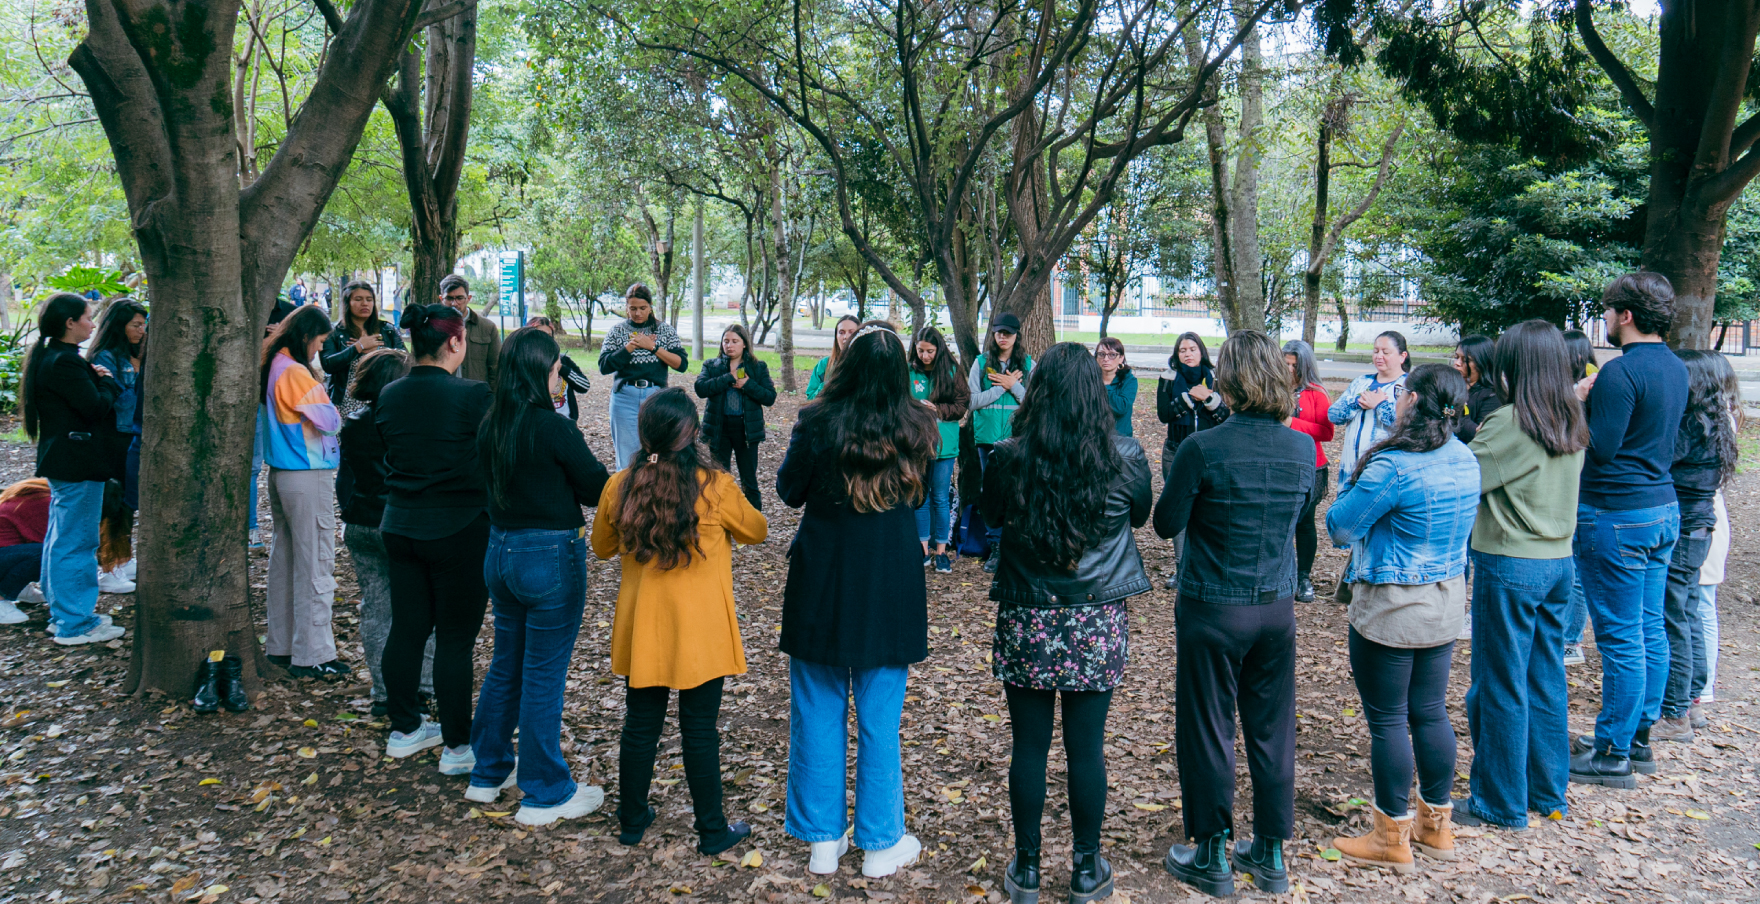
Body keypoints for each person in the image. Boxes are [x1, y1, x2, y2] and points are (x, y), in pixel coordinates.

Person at [979, 342, 1152, 904]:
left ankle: (1027, 867)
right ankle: (1084, 867)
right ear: (1094, 393)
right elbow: (1141, 514)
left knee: (1028, 747)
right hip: (1095, 617)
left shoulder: (1009, 455)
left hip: (1029, 614)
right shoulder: (1124, 456)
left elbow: (991, 515)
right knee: (1087, 749)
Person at [1153, 330, 1312, 898]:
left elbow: (1166, 522)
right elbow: (1301, 521)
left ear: (1229, 380)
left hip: (1213, 605)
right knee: (1272, 729)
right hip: (1274, 606)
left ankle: (1213, 851)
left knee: (1208, 725)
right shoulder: (1298, 449)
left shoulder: (1205, 448)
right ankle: (1269, 854)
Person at [777, 322, 938, 879]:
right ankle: (878, 841)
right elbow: (924, 494)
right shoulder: (918, 424)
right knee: (878, 718)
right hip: (888, 581)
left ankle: (825, 840)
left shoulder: (818, 420)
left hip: (824, 576)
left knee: (818, 710)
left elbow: (788, 489)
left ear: (846, 364)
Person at [594, 388, 766, 852]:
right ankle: (711, 829)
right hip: (700, 631)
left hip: (645, 628)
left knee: (640, 725)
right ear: (692, 433)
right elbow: (756, 530)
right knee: (700, 729)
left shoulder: (621, 484)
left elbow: (603, 547)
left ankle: (631, 820)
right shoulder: (715, 486)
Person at [1323, 364, 1478, 871]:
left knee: (1389, 719)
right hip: (1445, 601)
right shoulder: (1464, 457)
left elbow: (1341, 528)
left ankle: (1391, 835)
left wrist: (1351, 482)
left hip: (1393, 603)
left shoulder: (1394, 466)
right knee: (1431, 711)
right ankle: (1437, 827)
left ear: (1411, 401)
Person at [468, 327, 612, 825]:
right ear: (538, 372)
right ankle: (545, 791)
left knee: (506, 663)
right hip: (548, 555)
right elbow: (595, 490)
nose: (560, 378)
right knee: (542, 672)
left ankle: (487, 772)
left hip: (501, 552)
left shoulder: (491, 424)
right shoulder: (553, 428)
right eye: (556, 370)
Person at [1457, 321, 1587, 828]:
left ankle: (1500, 802)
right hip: (1558, 563)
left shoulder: (1512, 422)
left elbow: (1465, 479)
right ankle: (1548, 792)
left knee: (1500, 682)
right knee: (1546, 678)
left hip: (1511, 563)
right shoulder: (1570, 415)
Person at [1569, 272, 1689, 788]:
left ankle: (1614, 751)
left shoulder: (1620, 374)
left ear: (1627, 316)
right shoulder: (1677, 368)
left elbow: (1601, 446)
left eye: (1609, 310)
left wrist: (1577, 403)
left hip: (1616, 512)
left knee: (1620, 637)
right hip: (1662, 508)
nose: (1606, 319)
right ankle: (1637, 739)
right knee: (1647, 628)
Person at [375, 303, 495, 771]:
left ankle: (405, 727)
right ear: (455, 342)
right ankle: (457, 747)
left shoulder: (390, 394)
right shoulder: (472, 394)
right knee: (454, 640)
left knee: (407, 628)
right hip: (457, 527)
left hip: (401, 524)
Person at [23, 294, 126, 645]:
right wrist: (107, 381)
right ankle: (74, 621)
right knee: (77, 542)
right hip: (78, 461)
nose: (93, 324)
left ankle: (63, 613)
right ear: (69, 323)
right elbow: (95, 407)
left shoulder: (53, 358)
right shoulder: (63, 363)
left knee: (61, 537)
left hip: (67, 461)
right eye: (87, 317)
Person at [336, 348, 434, 717]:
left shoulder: (354, 421)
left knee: (377, 609)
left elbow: (346, 478)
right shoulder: (404, 421)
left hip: (360, 520)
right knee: (419, 608)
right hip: (396, 521)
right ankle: (420, 687)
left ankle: (382, 691)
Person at [1647, 350, 1738, 743]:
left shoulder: (1692, 423)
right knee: (1686, 610)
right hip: (1699, 527)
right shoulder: (1717, 420)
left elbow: (1658, 460)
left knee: (1674, 617)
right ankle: (1693, 701)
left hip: (1686, 528)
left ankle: (1675, 713)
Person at [260, 305, 349, 680]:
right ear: (304, 336)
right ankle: (313, 653)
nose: (319, 349)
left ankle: (281, 644)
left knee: (286, 562)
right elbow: (330, 419)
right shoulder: (295, 372)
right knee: (315, 562)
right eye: (319, 341)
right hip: (306, 473)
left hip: (283, 473)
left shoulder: (274, 364)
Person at [86, 299, 147, 593]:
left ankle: (122, 558)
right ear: (118, 326)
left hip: (137, 437)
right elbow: (120, 401)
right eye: (136, 325)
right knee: (115, 500)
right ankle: (108, 566)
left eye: (143, 324)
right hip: (115, 436)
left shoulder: (141, 354)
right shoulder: (105, 357)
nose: (142, 330)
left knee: (130, 500)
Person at [1690, 353, 1738, 720]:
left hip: (1705, 517)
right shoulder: (1722, 418)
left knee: (1703, 604)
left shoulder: (1712, 422)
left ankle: (1701, 688)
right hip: (1710, 517)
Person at [598, 284, 689, 469]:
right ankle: (627, 495)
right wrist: (629, 348)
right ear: (626, 308)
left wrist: (652, 347)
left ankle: (654, 494)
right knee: (626, 457)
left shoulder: (665, 330)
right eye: (633, 308)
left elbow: (682, 364)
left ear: (650, 306)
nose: (637, 313)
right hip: (624, 398)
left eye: (642, 308)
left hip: (656, 398)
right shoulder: (617, 331)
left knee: (656, 453)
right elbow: (604, 366)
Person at [970, 313, 1034, 573]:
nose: (1003, 337)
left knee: (1019, 492)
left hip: (1019, 438)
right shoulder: (981, 363)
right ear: (993, 334)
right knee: (992, 494)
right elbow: (971, 401)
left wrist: (1014, 385)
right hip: (987, 439)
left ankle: (1016, 544)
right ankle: (995, 545)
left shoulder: (1029, 364)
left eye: (1008, 332)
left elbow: (1035, 402)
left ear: (1017, 335)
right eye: (999, 332)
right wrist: (1001, 387)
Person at [695, 323, 777, 510]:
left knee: (749, 479)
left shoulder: (757, 367)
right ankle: (720, 518)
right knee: (719, 478)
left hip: (746, 431)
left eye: (734, 341)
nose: (729, 345)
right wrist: (729, 378)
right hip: (719, 429)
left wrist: (747, 384)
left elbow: (770, 397)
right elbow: (701, 389)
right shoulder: (712, 365)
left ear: (744, 344)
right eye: (726, 341)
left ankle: (753, 523)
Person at [910, 327, 969, 573]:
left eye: (930, 351)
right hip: (917, 446)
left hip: (945, 446)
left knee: (940, 498)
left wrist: (937, 409)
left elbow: (962, 404)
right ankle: (922, 549)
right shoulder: (909, 371)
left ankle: (941, 552)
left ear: (939, 350)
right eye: (920, 350)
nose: (924, 356)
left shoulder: (952, 370)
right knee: (920, 498)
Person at [1283, 340, 1333, 602]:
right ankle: (1282, 575)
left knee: (1304, 522)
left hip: (1310, 467)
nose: (1290, 370)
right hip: (1279, 464)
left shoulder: (1317, 393)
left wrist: (1293, 423)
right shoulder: (1272, 389)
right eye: (1286, 364)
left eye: (1295, 365)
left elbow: (1327, 432)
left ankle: (1303, 577)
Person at [1560, 328, 1598, 667]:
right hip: (1567, 485)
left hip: (1584, 485)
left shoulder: (1590, 384)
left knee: (1576, 569)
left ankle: (1570, 639)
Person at [321, 281, 404, 417]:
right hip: (345, 402)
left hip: (383, 399)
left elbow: (404, 361)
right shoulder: (335, 333)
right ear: (347, 303)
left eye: (369, 299)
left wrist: (377, 352)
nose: (365, 304)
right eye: (358, 299)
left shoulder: (387, 330)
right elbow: (328, 364)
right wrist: (358, 347)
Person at [1156, 333, 1227, 484]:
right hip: (1176, 449)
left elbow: (1226, 416)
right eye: (1183, 350)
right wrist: (1188, 398)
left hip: (1210, 449)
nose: (1188, 354)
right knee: (1177, 500)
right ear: (1177, 354)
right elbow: (1163, 414)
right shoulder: (1168, 379)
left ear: (1201, 352)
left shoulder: (1216, 378)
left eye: (1193, 349)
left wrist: (1208, 399)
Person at [0, 480, 50, 625]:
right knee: (45, 554)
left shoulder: (41, 494)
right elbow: (50, 545)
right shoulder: (45, 501)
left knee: (41, 552)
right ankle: (3, 594)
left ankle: (19, 588)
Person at [524, 316, 592, 421]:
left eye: (549, 336)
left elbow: (584, 386)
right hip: (536, 423)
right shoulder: (523, 363)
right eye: (540, 335)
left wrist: (561, 368)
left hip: (566, 421)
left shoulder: (563, 360)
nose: (545, 340)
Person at [440, 275, 502, 388]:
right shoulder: (434, 327)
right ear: (441, 299)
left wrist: (492, 400)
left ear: (468, 298)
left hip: (476, 398)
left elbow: (496, 368)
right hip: (444, 395)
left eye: (459, 298)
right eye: (449, 298)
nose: (454, 303)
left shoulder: (487, 328)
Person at [1450, 335, 1500, 443]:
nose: (1457, 363)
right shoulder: (1452, 386)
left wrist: (1458, 412)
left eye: (1465, 360)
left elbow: (1480, 437)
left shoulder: (1493, 396)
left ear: (1483, 363)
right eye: (1456, 357)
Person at [805, 315, 860, 400]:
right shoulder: (824, 364)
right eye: (841, 332)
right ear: (836, 336)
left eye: (851, 332)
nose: (845, 337)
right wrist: (829, 384)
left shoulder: (868, 365)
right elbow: (810, 399)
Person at [1096, 337, 1138, 437]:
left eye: (1112, 355)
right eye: (1101, 354)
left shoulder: (1129, 381)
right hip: (1093, 438)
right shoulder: (1089, 380)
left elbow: (1121, 407)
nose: (1106, 359)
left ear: (1121, 358)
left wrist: (1103, 387)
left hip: (1120, 439)